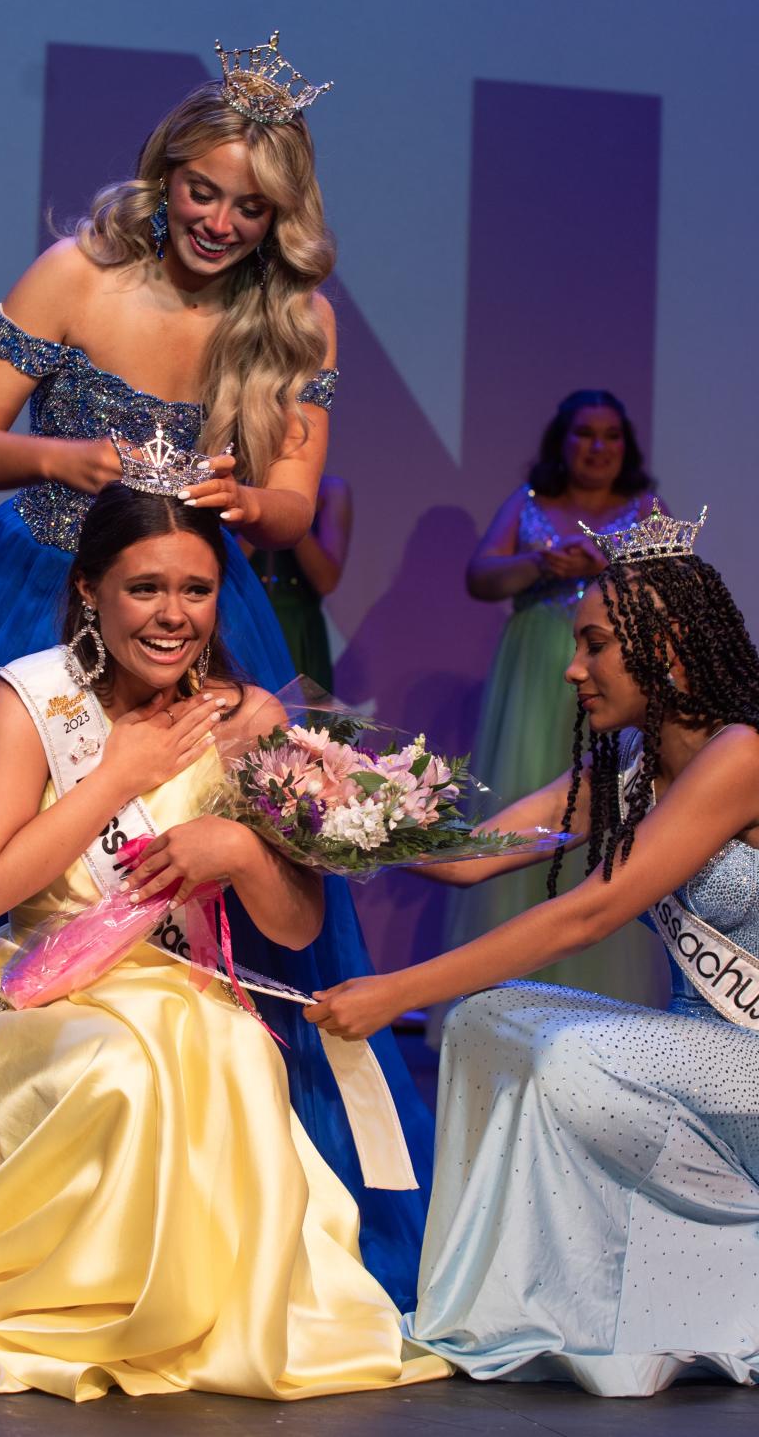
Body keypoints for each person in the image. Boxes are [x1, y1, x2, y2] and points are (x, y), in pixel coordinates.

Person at [0, 44, 434, 1307]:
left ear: (280, 219)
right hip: (32, 580)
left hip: (197, 588)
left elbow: (299, 496)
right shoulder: (76, 273)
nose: (219, 221)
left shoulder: (292, 318)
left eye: (249, 208)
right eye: (203, 191)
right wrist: (63, 458)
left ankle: (232, 1208)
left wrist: (250, 496)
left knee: (222, 848)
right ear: (166, 173)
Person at [0, 483, 448, 1402]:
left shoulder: (250, 717)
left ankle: (195, 1313)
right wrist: (117, 777)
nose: (172, 614)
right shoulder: (35, 698)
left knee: (231, 1046)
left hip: (188, 988)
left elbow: (299, 925)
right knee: (119, 1069)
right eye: (145, 588)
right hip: (47, 988)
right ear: (92, 589)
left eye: (196, 588)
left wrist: (243, 856)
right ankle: (79, 1310)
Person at [306, 502, 759, 1396]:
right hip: (697, 1058)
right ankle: (499, 1302)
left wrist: (398, 990)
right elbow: (479, 857)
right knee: (483, 1024)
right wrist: (331, 811)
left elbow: (586, 916)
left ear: (663, 647)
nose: (570, 667)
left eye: (593, 644)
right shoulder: (629, 765)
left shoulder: (740, 754)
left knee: (575, 1058)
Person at [434, 389, 665, 1021]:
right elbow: (481, 576)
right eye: (585, 434)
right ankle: (503, 995)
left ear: (628, 446)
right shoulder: (532, 504)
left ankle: (601, 1000)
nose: (598, 447)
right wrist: (540, 563)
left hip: (616, 674)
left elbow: (674, 594)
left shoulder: (645, 508)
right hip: (538, 672)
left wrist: (609, 565)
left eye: (611, 435)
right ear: (562, 441)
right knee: (531, 801)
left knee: (608, 814)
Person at [248, 472, 352, 691]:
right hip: (243, 621)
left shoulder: (329, 489)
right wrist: (258, 506)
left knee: (302, 722)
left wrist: (293, 515)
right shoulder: (231, 481)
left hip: (297, 629)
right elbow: (218, 569)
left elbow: (326, 581)